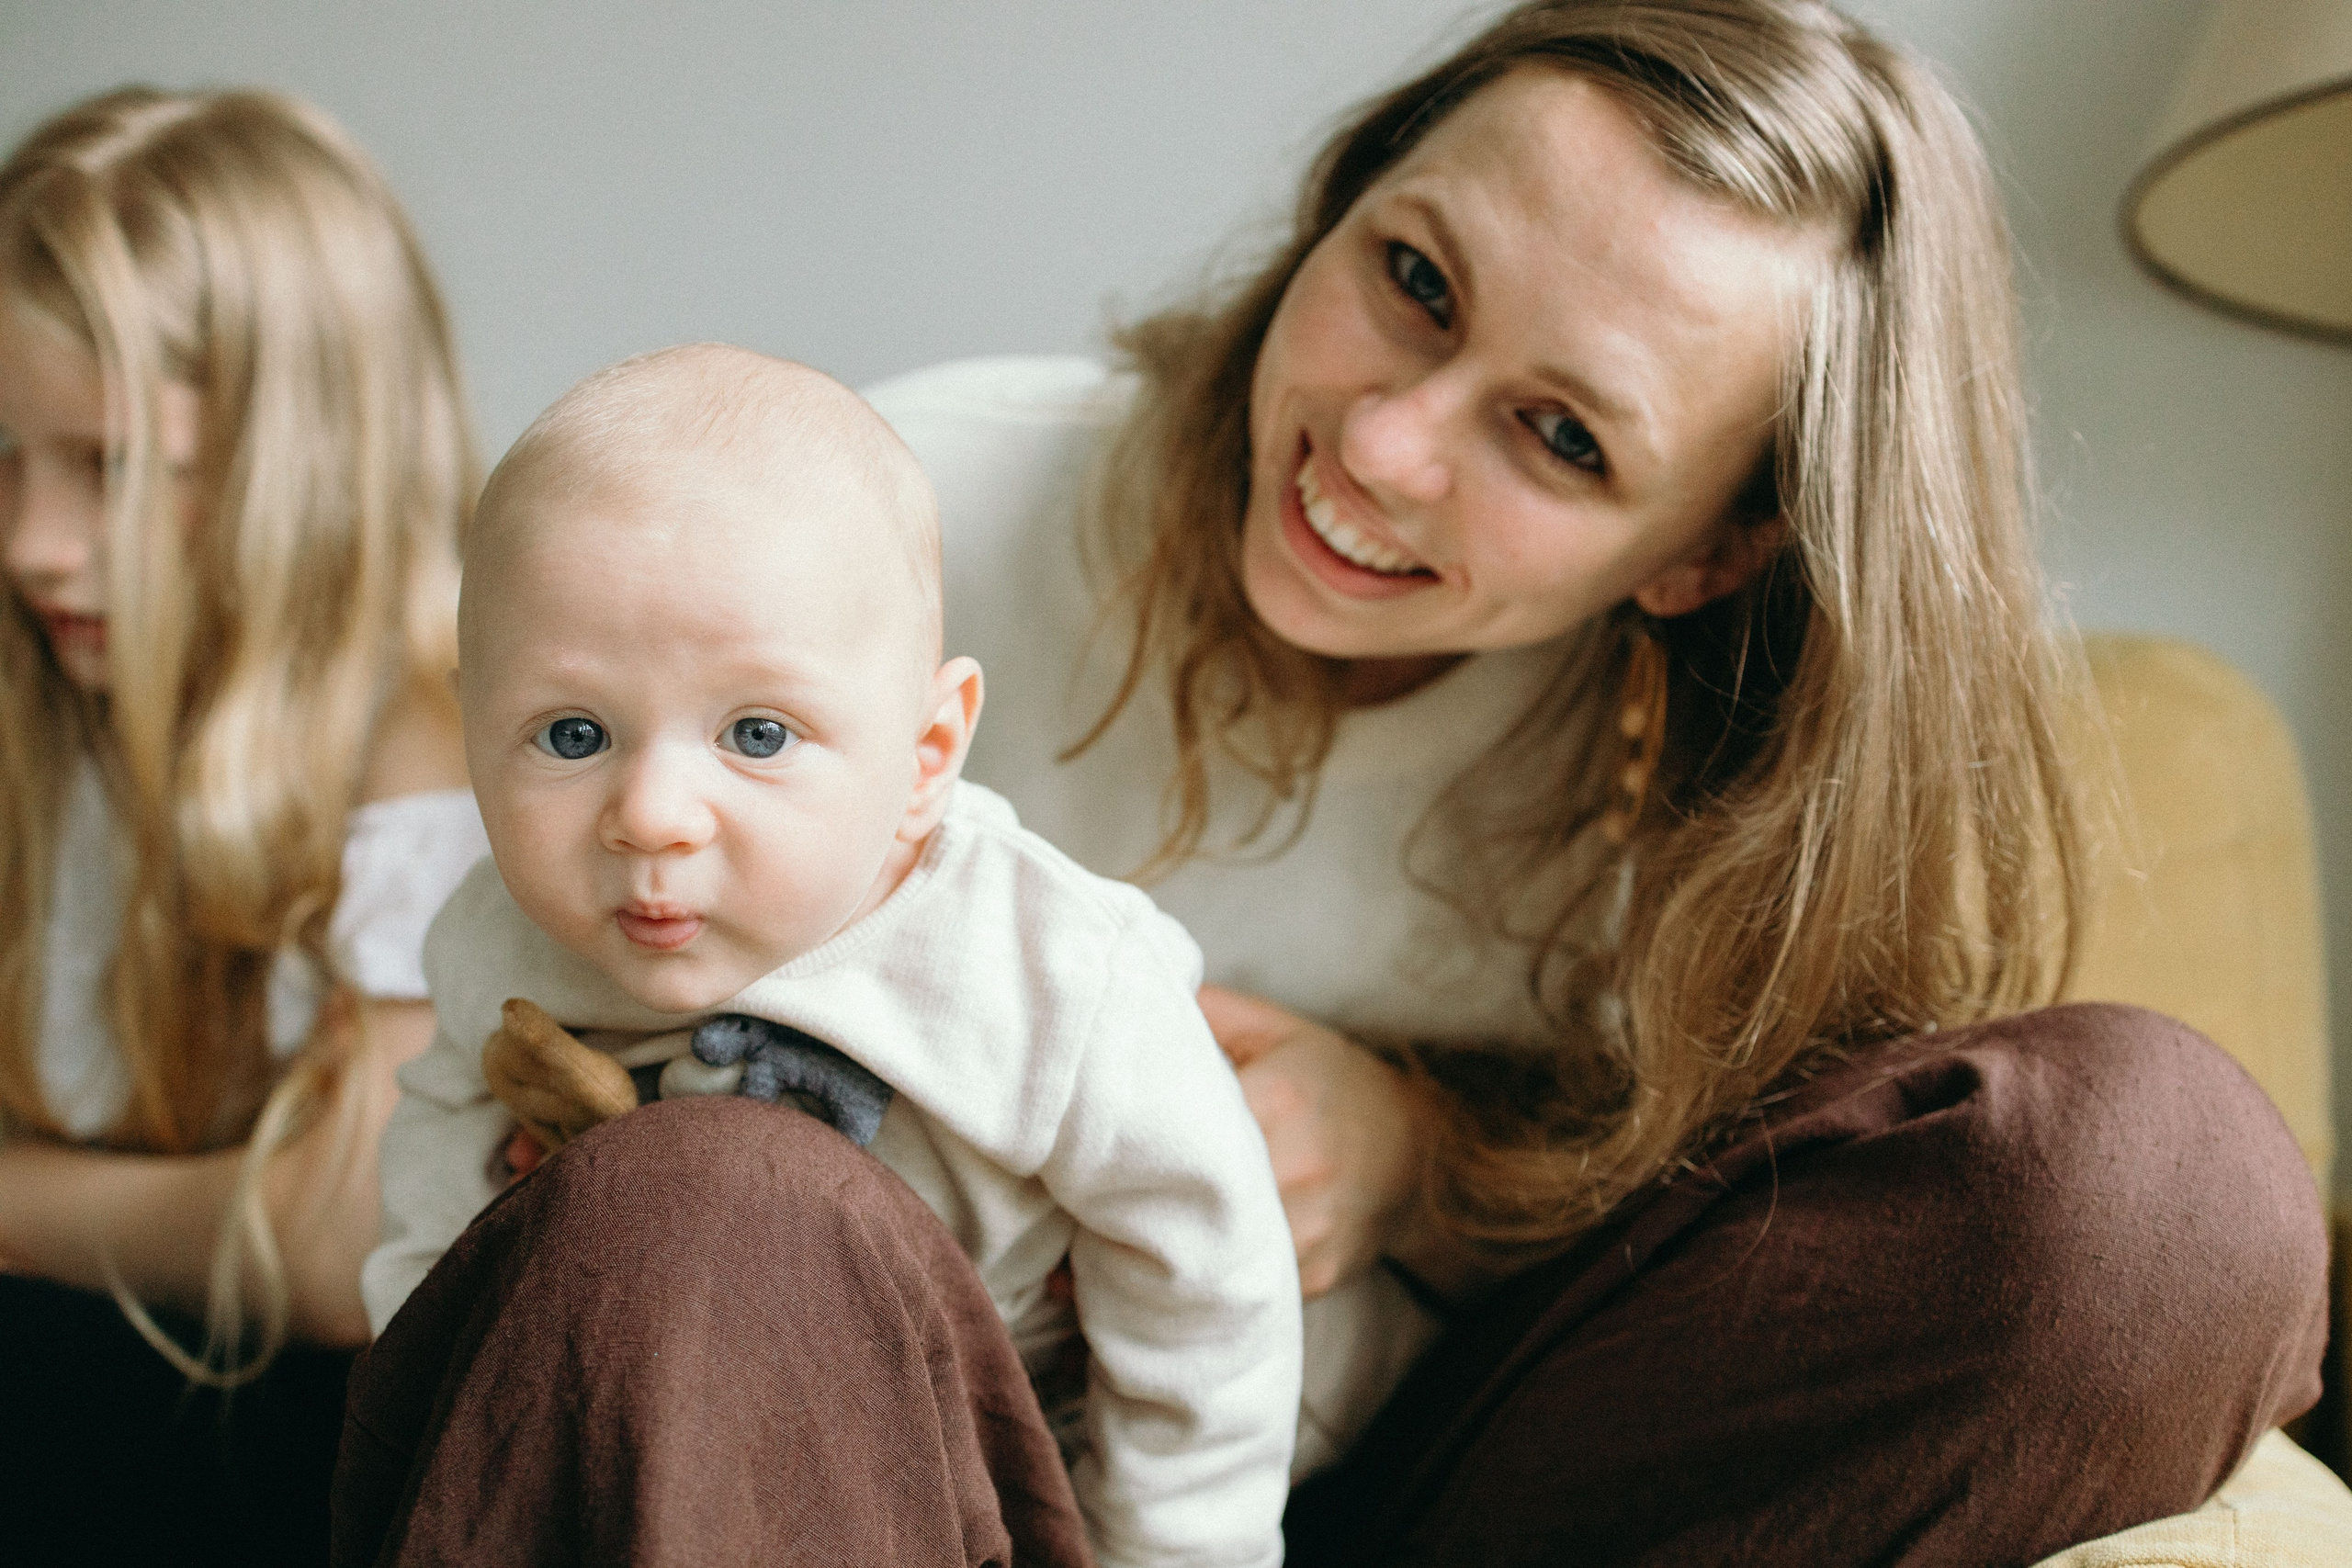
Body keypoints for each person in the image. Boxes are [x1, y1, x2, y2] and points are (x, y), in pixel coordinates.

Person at [334, 4, 2330, 1564]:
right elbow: (522, 803)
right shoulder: (899, 508)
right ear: (1340, 198)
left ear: (1703, 550)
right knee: (712, 1198)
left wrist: (1425, 1158)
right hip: (852, 1465)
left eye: (1554, 435)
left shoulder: (1724, 799)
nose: (1381, 444)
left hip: (1394, 1494)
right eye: (1415, 281)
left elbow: (1737, 1293)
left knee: (2161, 1191)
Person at [363, 344, 1300, 1568]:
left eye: (758, 733)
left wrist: (1174, 1554)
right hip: (628, 1448)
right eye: (571, 732)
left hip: (962, 1477)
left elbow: (1206, 1284)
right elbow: (437, 1220)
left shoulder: (1041, 968)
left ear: (924, 760)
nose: (651, 813)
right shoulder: (501, 937)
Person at [0, 88, 487, 1566]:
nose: (32, 541)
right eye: (5, 460)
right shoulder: (40, 705)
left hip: (282, 1456)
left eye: (113, 467)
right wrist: (208, 1209)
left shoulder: (430, 726)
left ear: (299, 466)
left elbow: (343, 1249)